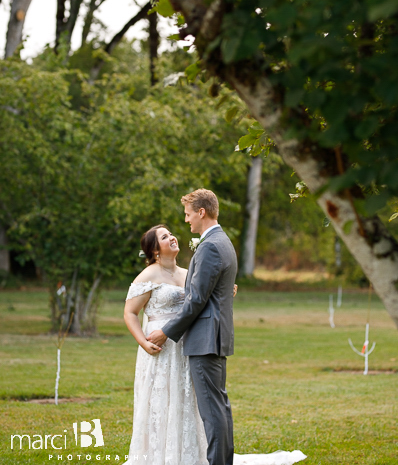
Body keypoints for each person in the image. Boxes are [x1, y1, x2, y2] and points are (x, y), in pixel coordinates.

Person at [126, 190, 305, 465]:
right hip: (193, 342)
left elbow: (196, 299)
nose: (184, 223)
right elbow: (203, 292)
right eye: (165, 235)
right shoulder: (220, 241)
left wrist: (165, 332)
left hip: (201, 339)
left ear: (201, 212)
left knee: (212, 410)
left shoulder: (209, 245)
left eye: (187, 215)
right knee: (214, 408)